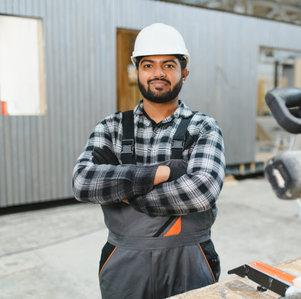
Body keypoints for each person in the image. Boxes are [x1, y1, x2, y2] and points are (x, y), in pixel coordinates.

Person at [72, 23, 226, 299]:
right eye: (148, 65)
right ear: (137, 72)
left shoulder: (203, 127)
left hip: (191, 261)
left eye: (168, 65)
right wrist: (163, 173)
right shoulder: (111, 128)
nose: (158, 73)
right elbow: (83, 182)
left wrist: (127, 193)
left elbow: (202, 191)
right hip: (125, 263)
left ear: (184, 73)